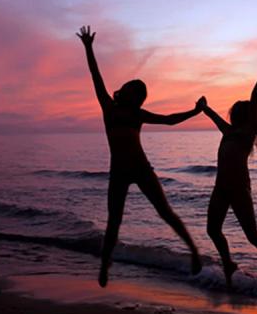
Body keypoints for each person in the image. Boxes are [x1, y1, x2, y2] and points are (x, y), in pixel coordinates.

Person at [77, 25, 203, 287]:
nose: (139, 99)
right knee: (114, 220)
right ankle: (105, 263)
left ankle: (193, 250)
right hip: (119, 173)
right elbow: (95, 76)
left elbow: (168, 121)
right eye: (136, 93)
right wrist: (89, 48)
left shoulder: (137, 114)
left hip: (142, 168)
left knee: (165, 211)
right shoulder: (109, 108)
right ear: (127, 92)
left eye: (141, 96)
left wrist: (195, 112)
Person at [199, 61, 257, 291]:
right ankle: (228, 263)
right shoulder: (228, 131)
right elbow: (214, 118)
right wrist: (205, 108)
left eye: (238, 111)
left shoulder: (247, 132)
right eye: (234, 111)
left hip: (239, 189)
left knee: (252, 236)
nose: (233, 113)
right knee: (212, 230)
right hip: (221, 188)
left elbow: (256, 95)